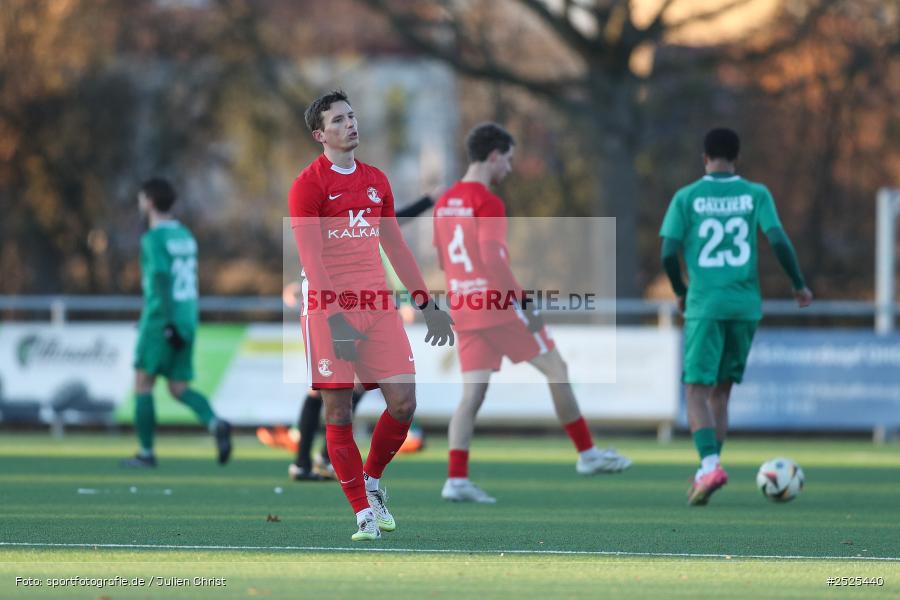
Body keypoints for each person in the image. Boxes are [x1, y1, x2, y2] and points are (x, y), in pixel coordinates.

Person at [432, 123, 632, 504]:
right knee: (557, 369)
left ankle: (456, 479)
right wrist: (523, 303)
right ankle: (587, 454)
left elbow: (443, 258)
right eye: (507, 159)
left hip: (464, 306)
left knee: (471, 395)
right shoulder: (488, 202)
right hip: (497, 306)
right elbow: (492, 258)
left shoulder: (444, 202)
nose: (508, 168)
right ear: (493, 156)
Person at [289, 90, 454, 541]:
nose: (350, 124)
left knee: (403, 403)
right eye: (339, 121)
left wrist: (426, 305)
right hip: (329, 309)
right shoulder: (308, 185)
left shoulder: (376, 180)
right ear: (320, 134)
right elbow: (312, 259)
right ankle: (362, 513)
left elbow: (395, 246)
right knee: (338, 414)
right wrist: (334, 316)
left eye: (352, 116)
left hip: (378, 305)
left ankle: (372, 480)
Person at [659, 127, 813, 506]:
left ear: (704, 156)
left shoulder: (687, 197)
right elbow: (777, 239)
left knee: (694, 390)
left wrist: (681, 291)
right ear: (736, 157)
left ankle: (710, 464)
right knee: (720, 394)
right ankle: (707, 468)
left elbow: (667, 252)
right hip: (745, 307)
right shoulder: (756, 194)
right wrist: (798, 284)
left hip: (706, 305)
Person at [259, 195, 437, 482]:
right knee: (331, 388)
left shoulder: (359, 219)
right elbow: (316, 251)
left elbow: (395, 222)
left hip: (355, 306)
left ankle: (311, 461)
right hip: (335, 310)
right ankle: (312, 460)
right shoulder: (341, 215)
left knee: (342, 387)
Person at [123, 178, 232, 468]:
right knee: (178, 387)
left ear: (147, 201)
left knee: (143, 383)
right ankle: (215, 422)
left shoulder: (153, 238)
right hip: (187, 317)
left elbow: (160, 278)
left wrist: (162, 320)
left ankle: (146, 453)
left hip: (162, 319)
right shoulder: (185, 236)